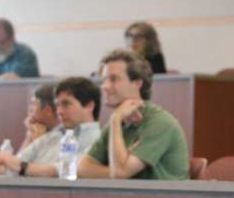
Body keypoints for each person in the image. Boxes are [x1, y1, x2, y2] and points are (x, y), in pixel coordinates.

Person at [78, 49, 188, 180]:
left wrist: (115, 119)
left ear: (137, 83)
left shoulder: (160, 122)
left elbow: (120, 173)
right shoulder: (118, 122)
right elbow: (81, 169)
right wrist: (114, 172)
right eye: (104, 80)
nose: (104, 86)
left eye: (113, 79)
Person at [0, 77, 102, 177]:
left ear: (89, 106)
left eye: (66, 104)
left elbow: (69, 170)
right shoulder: (53, 136)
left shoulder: (97, 140)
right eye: (57, 105)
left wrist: (22, 167)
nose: (59, 111)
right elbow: (15, 165)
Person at [0, 83, 60, 173]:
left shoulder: (57, 137)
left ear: (48, 111)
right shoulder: (39, 130)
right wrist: (29, 137)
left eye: (33, 104)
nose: (30, 109)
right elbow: (18, 163)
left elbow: (18, 171)